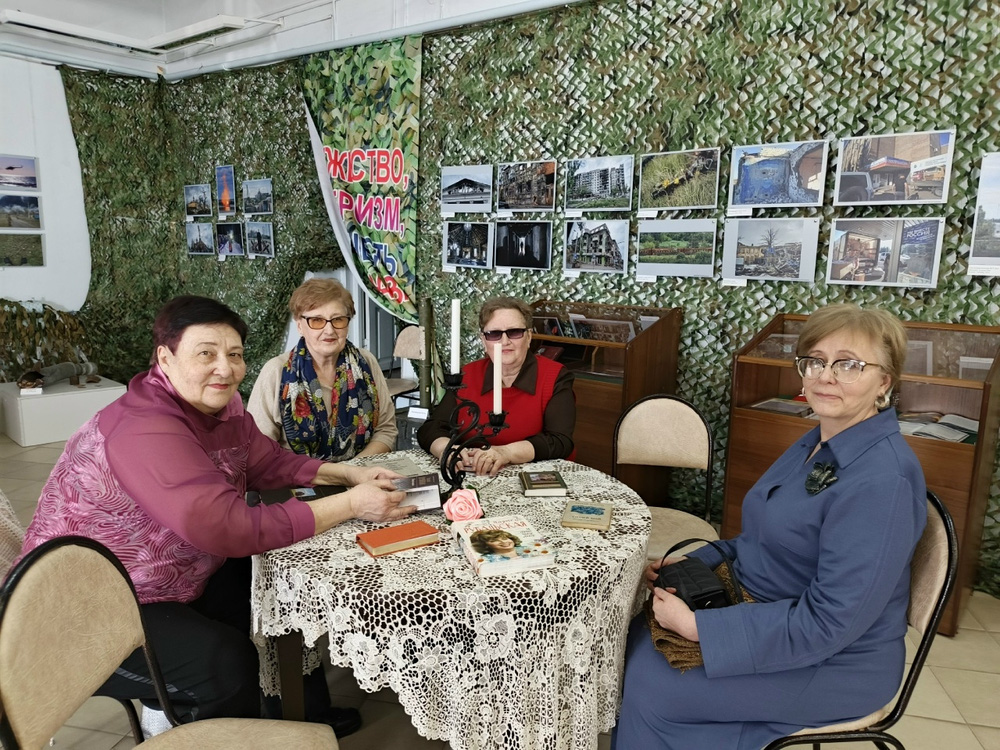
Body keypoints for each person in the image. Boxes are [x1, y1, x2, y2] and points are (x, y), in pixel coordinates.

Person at [18, 295, 415, 737]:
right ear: (165, 358)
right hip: (85, 606)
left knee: (274, 592)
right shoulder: (145, 426)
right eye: (206, 354)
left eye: (235, 355)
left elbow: (266, 461)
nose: (225, 369)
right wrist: (351, 504)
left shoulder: (220, 405)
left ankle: (290, 714)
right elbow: (228, 527)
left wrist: (347, 473)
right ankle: (206, 725)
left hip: (170, 578)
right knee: (224, 663)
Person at [613, 303, 927, 749]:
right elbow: (759, 539)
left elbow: (830, 623)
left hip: (836, 664)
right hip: (764, 611)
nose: (826, 376)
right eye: (815, 361)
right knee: (632, 640)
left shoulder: (883, 482)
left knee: (654, 685)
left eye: (849, 364)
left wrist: (700, 629)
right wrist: (691, 561)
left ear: (884, 383)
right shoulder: (817, 441)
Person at [417, 297, 575, 476]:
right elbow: (431, 428)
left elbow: (560, 441)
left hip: (535, 477)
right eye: (494, 334)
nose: (504, 341)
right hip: (473, 474)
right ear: (484, 340)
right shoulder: (467, 375)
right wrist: (446, 449)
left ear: (529, 337)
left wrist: (506, 452)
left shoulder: (555, 376)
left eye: (515, 332)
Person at [247, 278, 397, 461]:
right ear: (300, 325)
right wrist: (327, 473)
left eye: (338, 319)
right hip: (296, 477)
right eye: (317, 320)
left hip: (361, 472)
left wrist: (350, 471)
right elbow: (259, 450)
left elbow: (385, 430)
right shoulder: (276, 371)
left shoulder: (367, 362)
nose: (329, 330)